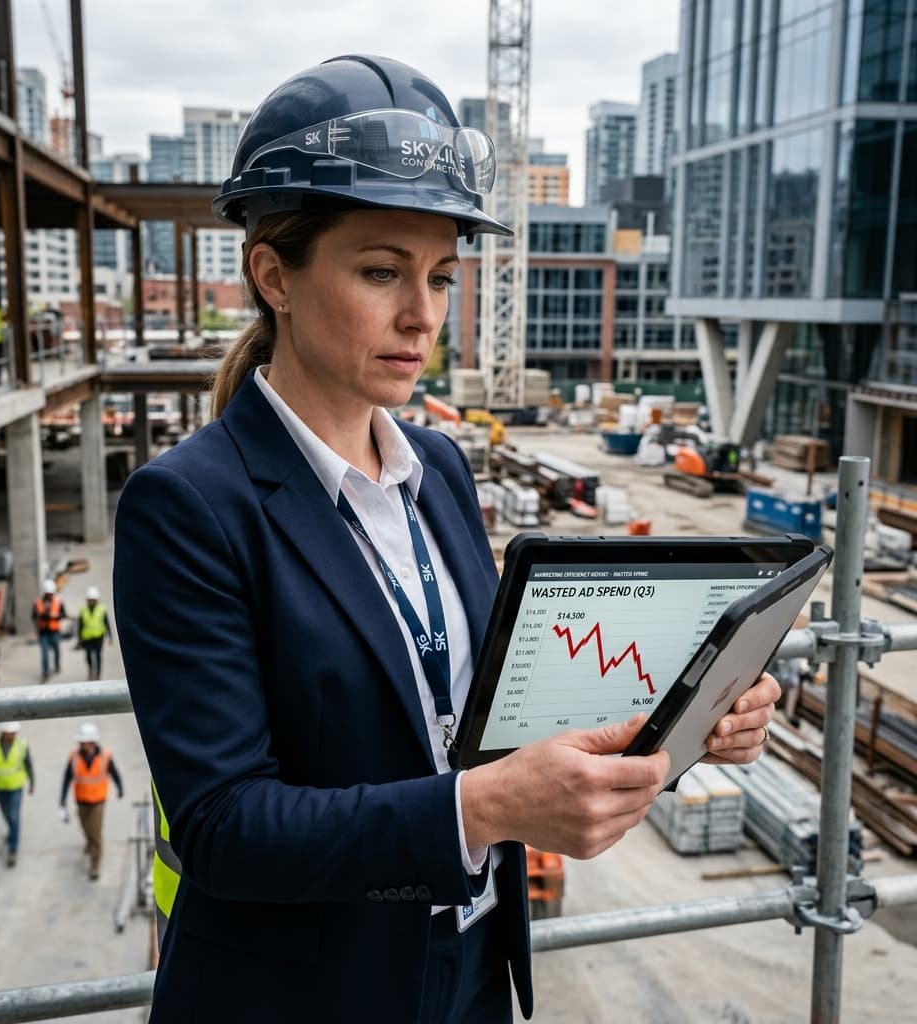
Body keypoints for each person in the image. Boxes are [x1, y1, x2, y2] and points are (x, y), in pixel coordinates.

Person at [113, 55, 779, 1024]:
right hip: (301, 994)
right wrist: (482, 809)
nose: (424, 314)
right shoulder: (188, 505)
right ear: (274, 275)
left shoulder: (439, 467)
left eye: (438, 275)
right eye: (381, 270)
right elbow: (223, 826)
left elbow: (489, 705)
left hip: (468, 968)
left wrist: (685, 711)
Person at [58, 722, 124, 880]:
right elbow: (67, 778)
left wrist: (120, 788)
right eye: (80, 741)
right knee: (85, 828)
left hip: (98, 802)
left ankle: (95, 864)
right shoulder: (74, 756)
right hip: (81, 801)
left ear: (92, 741)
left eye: (84, 741)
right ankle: (89, 842)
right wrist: (62, 802)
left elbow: (114, 773)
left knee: (95, 834)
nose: (81, 744)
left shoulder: (105, 756)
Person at [0, 722, 34, 867]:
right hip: (0, 787)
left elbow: (29, 764)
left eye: (15, 732)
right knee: (6, 814)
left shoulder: (22, 745)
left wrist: (32, 782)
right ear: (3, 732)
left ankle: (13, 850)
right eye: (11, 732)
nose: (13, 735)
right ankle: (12, 831)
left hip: (16, 787)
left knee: (14, 815)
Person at [75, 585, 112, 680]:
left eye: (93, 599)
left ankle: (98, 674)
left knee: (98, 656)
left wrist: (110, 636)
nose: (91, 601)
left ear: (97, 600)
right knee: (88, 657)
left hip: (98, 637)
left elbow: (106, 622)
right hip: (87, 638)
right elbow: (80, 625)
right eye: (89, 599)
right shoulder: (83, 610)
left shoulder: (102, 609)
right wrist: (79, 638)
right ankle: (91, 671)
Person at [33, 578, 65, 682]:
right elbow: (33, 616)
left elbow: (63, 614)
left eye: (51, 593)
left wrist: (54, 616)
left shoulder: (58, 601)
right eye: (48, 594)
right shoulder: (38, 603)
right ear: (45, 593)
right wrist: (41, 616)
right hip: (43, 633)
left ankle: (57, 664)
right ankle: (45, 674)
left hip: (55, 632)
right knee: (45, 655)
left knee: (57, 651)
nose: (50, 596)